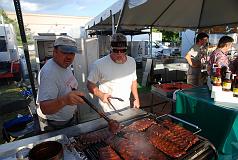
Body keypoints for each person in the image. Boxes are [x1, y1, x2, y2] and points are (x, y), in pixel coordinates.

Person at [36, 36, 85, 131]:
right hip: (54, 123)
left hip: (67, 118)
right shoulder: (49, 73)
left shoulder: (64, 65)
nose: (69, 57)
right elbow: (45, 109)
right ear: (54, 52)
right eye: (65, 52)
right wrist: (65, 100)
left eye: (72, 53)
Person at [87, 33, 140, 113]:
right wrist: (101, 95)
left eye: (122, 50)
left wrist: (136, 98)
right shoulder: (99, 64)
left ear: (126, 49)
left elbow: (133, 81)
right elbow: (90, 84)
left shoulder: (132, 61)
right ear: (111, 49)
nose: (119, 53)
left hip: (126, 107)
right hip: (107, 110)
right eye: (116, 50)